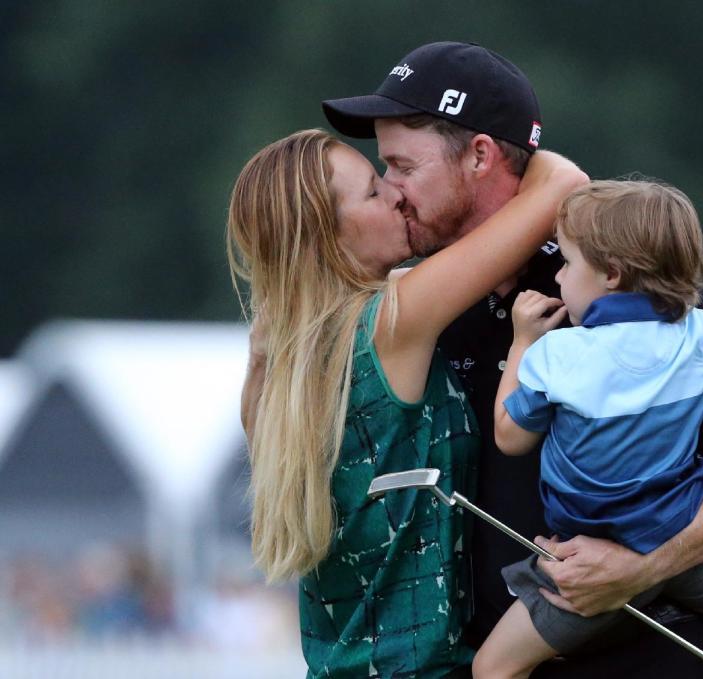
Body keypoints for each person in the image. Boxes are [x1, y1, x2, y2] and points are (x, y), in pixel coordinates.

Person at [323, 41, 703, 676]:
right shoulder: (424, 303)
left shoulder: (623, 276)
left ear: (478, 155)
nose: (391, 191)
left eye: (401, 166)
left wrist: (642, 567)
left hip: (649, 658)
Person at [228, 128, 586, 677]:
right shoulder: (390, 322)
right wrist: (499, 149)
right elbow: (564, 182)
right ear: (326, 234)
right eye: (372, 191)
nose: (396, 193)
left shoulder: (275, 369)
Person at [472, 179, 703, 679]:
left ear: (612, 274)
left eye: (569, 262)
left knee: (494, 666)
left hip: (589, 564)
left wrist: (521, 343)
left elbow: (511, 434)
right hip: (692, 543)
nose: (558, 276)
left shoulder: (558, 354)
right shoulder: (702, 337)